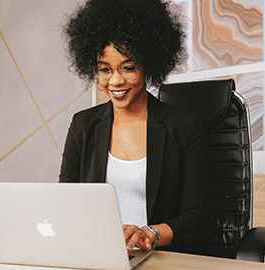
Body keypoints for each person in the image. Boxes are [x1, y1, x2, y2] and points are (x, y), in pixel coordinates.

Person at [59, 0, 210, 253]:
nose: (115, 81)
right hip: (97, 254)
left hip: (160, 256)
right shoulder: (83, 125)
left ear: (149, 64)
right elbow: (66, 201)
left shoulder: (183, 126)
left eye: (128, 68)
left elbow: (199, 215)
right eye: (105, 70)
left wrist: (150, 233)